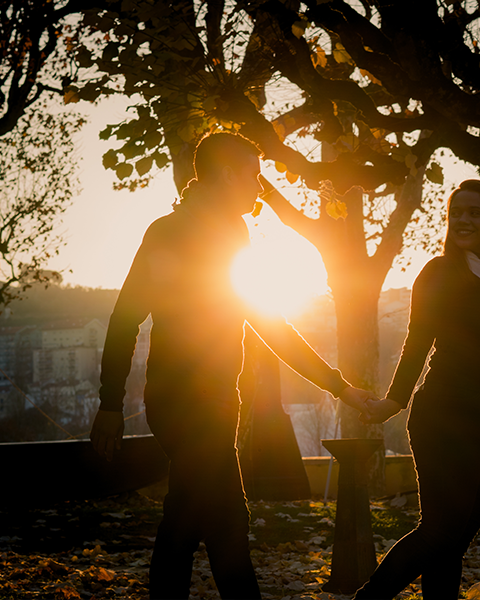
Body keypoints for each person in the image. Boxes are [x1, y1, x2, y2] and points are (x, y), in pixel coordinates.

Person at [89, 131, 374, 600]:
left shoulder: (234, 233)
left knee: (191, 518)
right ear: (225, 175)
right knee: (223, 523)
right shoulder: (169, 232)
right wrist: (109, 405)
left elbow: (267, 322)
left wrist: (338, 387)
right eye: (253, 175)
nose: (260, 186)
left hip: (219, 403)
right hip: (183, 402)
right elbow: (125, 319)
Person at [353, 179, 480, 600]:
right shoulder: (440, 272)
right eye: (457, 212)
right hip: (443, 418)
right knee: (439, 532)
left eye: (475, 212)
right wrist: (393, 401)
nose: (463, 220)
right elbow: (418, 339)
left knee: (452, 543)